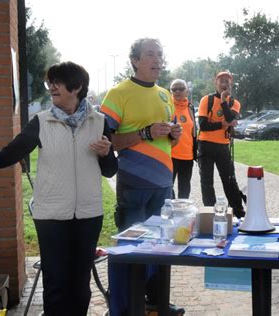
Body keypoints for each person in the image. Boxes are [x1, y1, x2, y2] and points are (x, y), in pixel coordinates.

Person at [0, 61, 118, 315]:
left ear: (76, 87)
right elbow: (5, 157)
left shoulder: (99, 122)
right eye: (50, 82)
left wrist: (107, 154)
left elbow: (110, 170)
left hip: (89, 215)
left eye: (57, 82)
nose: (51, 87)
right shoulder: (40, 122)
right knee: (56, 284)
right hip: (51, 216)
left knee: (80, 284)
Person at [100, 38, 184, 315]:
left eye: (160, 54)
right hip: (133, 187)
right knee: (130, 250)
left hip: (163, 185)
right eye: (151, 54)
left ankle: (157, 303)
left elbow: (165, 143)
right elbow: (107, 140)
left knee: (162, 248)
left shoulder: (164, 94)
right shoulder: (118, 92)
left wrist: (174, 136)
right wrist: (145, 132)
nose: (158, 59)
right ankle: (123, 309)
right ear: (135, 60)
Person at [197, 71, 245, 218]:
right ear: (215, 82)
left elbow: (231, 118)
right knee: (207, 182)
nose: (225, 84)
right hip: (205, 145)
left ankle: (238, 213)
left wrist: (224, 102)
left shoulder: (234, 103)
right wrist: (222, 124)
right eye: (222, 81)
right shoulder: (207, 100)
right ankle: (210, 214)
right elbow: (203, 125)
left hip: (223, 146)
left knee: (230, 180)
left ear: (231, 84)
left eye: (227, 82)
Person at [170, 79, 197, 199]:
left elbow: (193, 131)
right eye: (174, 89)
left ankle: (182, 214)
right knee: (167, 188)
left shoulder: (190, 108)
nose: (177, 91)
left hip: (187, 156)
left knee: (185, 191)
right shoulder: (167, 107)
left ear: (186, 91)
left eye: (181, 89)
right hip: (170, 154)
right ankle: (169, 214)